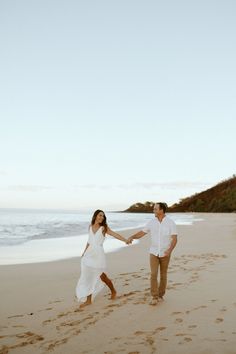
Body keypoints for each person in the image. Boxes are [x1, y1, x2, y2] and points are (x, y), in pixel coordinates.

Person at [76, 209, 130, 308]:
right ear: (95, 216)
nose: (101, 217)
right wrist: (84, 252)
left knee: (102, 277)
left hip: (98, 255)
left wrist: (125, 240)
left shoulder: (104, 228)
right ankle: (88, 300)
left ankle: (113, 291)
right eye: (100, 215)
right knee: (88, 277)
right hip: (89, 254)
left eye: (103, 216)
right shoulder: (90, 226)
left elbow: (114, 234)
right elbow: (89, 241)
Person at [128, 202, 177, 305]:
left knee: (163, 275)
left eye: (155, 209)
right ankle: (154, 296)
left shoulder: (170, 222)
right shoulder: (151, 222)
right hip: (153, 252)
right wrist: (132, 236)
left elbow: (174, 239)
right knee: (153, 274)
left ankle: (161, 295)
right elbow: (142, 233)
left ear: (161, 210)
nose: (153, 211)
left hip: (165, 253)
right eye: (154, 209)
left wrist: (169, 250)